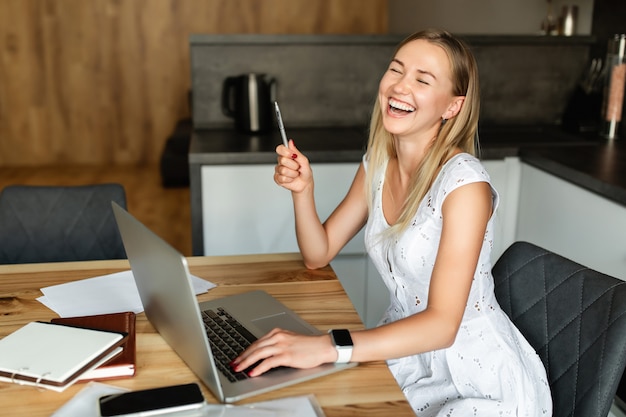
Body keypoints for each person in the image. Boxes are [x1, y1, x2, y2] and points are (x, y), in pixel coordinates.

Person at [232, 29, 552, 416]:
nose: (400, 86)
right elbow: (318, 253)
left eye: (422, 79)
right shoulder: (379, 163)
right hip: (404, 358)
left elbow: (441, 326)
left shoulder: (465, 185)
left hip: (473, 378)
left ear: (452, 106)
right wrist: (303, 190)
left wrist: (326, 346)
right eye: (396, 70)